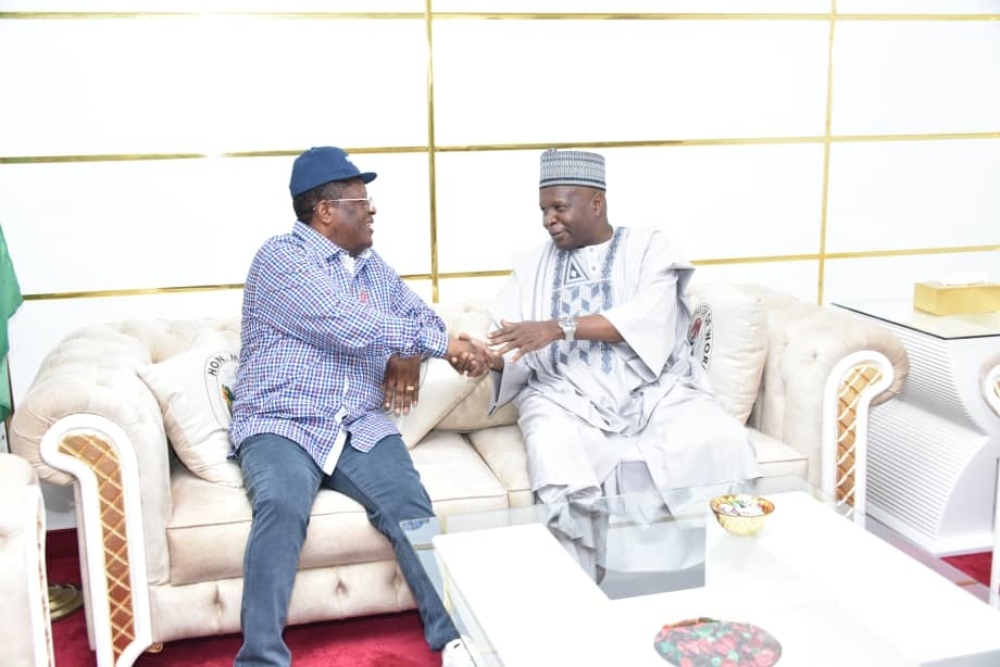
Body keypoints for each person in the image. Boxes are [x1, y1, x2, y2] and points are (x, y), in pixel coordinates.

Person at [228, 146, 483, 667]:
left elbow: (426, 320)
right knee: (280, 506)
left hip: (358, 423)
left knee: (411, 508)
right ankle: (260, 659)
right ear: (326, 210)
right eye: (361, 201)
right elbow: (346, 324)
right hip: (283, 419)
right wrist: (436, 346)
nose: (372, 210)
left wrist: (413, 351)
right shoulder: (280, 259)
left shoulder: (371, 267)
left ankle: (456, 640)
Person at [478, 148, 762, 510]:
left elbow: (648, 317)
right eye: (543, 210)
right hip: (564, 398)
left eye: (559, 207)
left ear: (596, 203)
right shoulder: (533, 264)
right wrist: (489, 359)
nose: (548, 219)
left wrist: (556, 328)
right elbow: (511, 343)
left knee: (722, 439)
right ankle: (579, 564)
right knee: (553, 449)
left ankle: (720, 558)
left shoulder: (647, 247)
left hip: (654, 392)